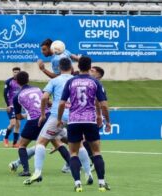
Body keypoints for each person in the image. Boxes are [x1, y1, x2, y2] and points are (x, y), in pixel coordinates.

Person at [24, 58, 92, 185]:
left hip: (57, 117)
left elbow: (44, 97)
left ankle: (37, 172)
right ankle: (88, 173)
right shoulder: (77, 81)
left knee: (40, 143)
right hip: (75, 117)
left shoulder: (54, 80)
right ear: (71, 68)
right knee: (80, 145)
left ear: (60, 68)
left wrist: (43, 114)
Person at [57, 56, 111, 192]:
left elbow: (62, 103)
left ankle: (77, 183)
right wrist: (106, 120)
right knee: (97, 152)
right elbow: (103, 104)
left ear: (78, 66)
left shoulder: (70, 81)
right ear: (89, 66)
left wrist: (59, 119)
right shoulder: (95, 82)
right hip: (90, 120)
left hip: (74, 120)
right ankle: (101, 183)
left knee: (73, 153)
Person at [13, 71, 50, 176]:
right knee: (59, 142)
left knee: (21, 145)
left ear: (17, 82)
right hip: (47, 116)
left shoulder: (17, 97)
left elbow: (18, 117)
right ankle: (72, 164)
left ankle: (26, 170)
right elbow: (47, 102)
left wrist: (26, 115)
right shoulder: (38, 89)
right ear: (28, 79)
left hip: (33, 121)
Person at [3, 67, 21, 148]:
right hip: (11, 105)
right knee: (13, 123)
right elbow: (5, 93)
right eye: (15, 72)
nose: (16, 73)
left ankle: (14, 143)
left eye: (17, 72)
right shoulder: (8, 81)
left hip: (19, 106)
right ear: (12, 73)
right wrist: (7, 105)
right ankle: (5, 138)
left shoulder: (21, 82)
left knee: (18, 124)